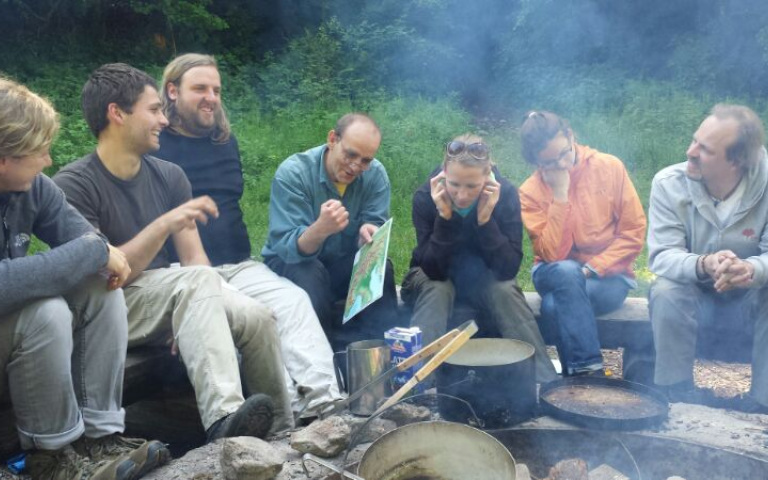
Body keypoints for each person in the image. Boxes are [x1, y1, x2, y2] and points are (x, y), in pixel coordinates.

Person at [53, 63, 294, 440]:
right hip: (108, 304)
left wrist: (195, 314)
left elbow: (196, 260)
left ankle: (280, 433)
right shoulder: (73, 184)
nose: (163, 120)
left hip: (172, 292)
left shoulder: (169, 175)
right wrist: (164, 224)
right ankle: (225, 420)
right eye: (153, 110)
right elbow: (106, 272)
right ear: (117, 113)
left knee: (257, 316)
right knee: (195, 283)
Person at [154, 53, 341, 419]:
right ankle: (289, 414)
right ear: (172, 91)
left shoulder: (225, 141)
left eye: (217, 89)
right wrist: (176, 309)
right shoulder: (155, 143)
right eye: (200, 88)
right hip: (184, 274)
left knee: (293, 301)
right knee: (258, 319)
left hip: (239, 264)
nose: (211, 97)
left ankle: (327, 405)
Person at [0, 77, 168, 479]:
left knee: (99, 289)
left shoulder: (31, 188)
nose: (48, 161)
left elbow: (93, 245)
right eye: (38, 151)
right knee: (45, 313)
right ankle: (50, 458)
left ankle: (99, 440)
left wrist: (96, 253)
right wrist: (94, 251)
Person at [401, 134, 558, 382]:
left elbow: (508, 269)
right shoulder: (426, 195)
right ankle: (415, 385)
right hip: (429, 278)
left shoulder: (505, 194)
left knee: (505, 290)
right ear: (443, 173)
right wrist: (444, 216)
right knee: (439, 288)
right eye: (454, 184)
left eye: (471, 186)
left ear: (487, 177)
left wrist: (485, 220)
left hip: (483, 278)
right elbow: (433, 269)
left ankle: (543, 381)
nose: (461, 195)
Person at [648, 104, 768, 412]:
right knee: (665, 290)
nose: (690, 151)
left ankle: (761, 405)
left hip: (750, 303)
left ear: (738, 160)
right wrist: (704, 264)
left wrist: (749, 269)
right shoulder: (668, 183)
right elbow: (662, 255)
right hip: (695, 299)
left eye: (705, 149)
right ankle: (676, 392)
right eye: (694, 141)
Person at [518, 111, 647, 376]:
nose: (562, 165)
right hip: (552, 273)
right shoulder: (530, 192)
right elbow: (552, 254)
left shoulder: (609, 167)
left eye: (565, 153)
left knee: (554, 306)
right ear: (537, 163)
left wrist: (591, 268)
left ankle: (577, 378)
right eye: (550, 163)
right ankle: (591, 375)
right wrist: (560, 196)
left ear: (571, 135)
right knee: (566, 272)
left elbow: (633, 232)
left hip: (608, 278)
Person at [261, 113, 399, 349]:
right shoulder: (294, 173)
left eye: (365, 160)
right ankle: (325, 357)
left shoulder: (375, 175)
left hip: (338, 263)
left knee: (381, 267)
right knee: (311, 273)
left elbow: (374, 224)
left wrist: (369, 232)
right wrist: (320, 229)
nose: (356, 166)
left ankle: (380, 355)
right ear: (333, 139)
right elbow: (287, 248)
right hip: (290, 264)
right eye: (351, 154)